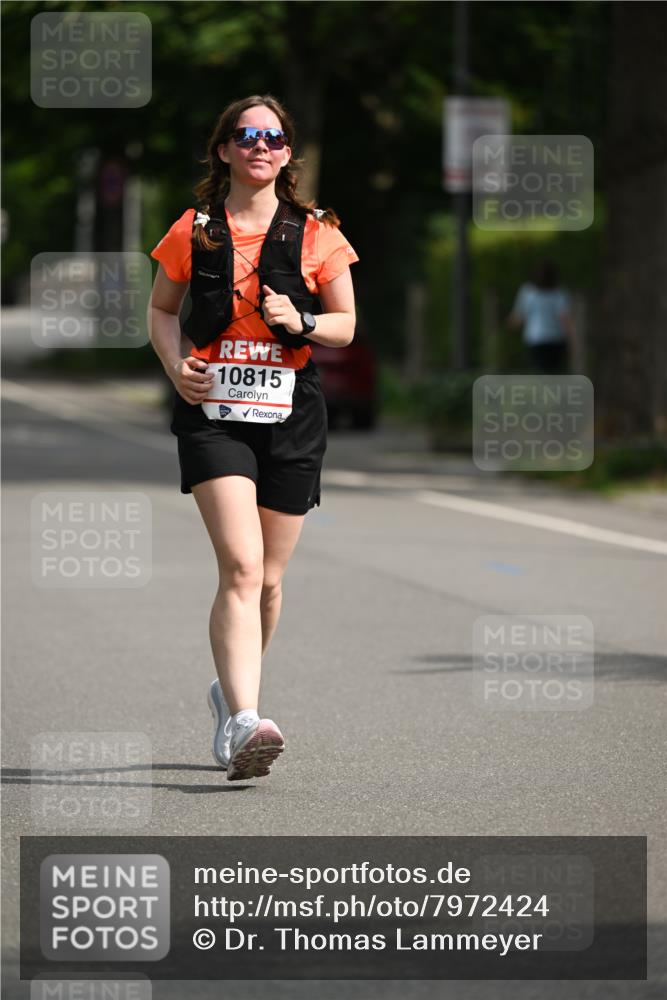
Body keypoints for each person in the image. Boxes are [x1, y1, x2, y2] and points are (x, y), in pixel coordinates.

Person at [147, 95, 359, 781]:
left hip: (291, 409)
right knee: (240, 566)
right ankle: (245, 719)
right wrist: (175, 364)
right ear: (224, 149)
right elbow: (160, 309)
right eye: (245, 135)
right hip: (214, 411)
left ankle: (231, 697)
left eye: (272, 136)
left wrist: (298, 318)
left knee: (268, 580)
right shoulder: (195, 229)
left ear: (288, 153)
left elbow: (344, 327)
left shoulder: (318, 233)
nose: (259, 146)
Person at [507, 259, 574, 374]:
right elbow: (565, 320)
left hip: (536, 340)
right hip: (555, 339)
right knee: (553, 374)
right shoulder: (559, 293)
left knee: (541, 373)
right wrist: (572, 341)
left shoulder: (528, 292)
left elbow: (518, 318)